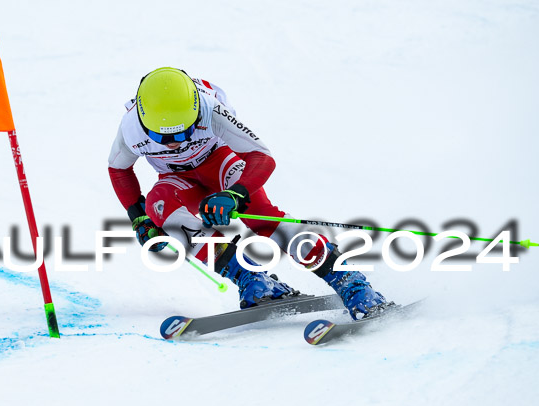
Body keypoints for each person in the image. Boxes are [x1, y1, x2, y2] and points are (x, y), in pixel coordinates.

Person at [108, 67, 388, 320]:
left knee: (261, 216)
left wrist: (236, 194)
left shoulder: (211, 109)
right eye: (162, 138)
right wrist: (139, 218)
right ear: (144, 123)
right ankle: (251, 277)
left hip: (218, 162)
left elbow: (262, 156)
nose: (174, 144)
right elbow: (118, 169)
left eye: (184, 133)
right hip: (177, 180)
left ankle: (349, 280)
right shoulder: (130, 128)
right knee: (161, 209)